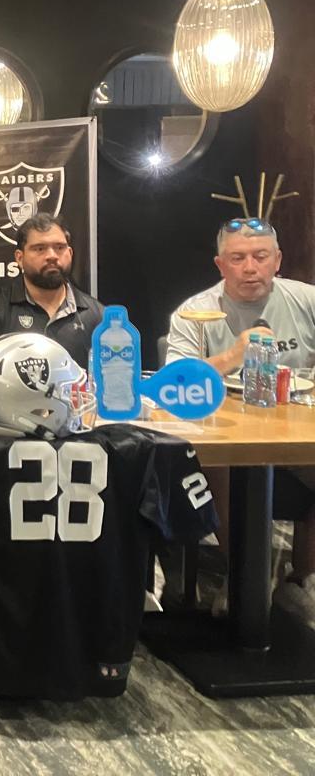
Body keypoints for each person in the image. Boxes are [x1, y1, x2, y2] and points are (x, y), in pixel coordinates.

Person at [0, 333, 217, 698]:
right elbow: (190, 523)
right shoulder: (135, 447)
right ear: (30, 400)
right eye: (68, 391)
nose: (77, 399)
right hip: (93, 651)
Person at [166, 217, 315, 618]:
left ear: (277, 260)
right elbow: (174, 382)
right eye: (237, 258)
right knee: (216, 464)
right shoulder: (195, 312)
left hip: (297, 433)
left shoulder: (307, 300)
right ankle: (246, 574)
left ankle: (304, 579)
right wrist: (233, 355)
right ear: (220, 264)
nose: (250, 268)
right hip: (228, 436)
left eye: (260, 256)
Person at [0, 213, 103, 368]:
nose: (52, 256)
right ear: (19, 258)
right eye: (40, 248)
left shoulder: (97, 316)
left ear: (70, 253)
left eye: (59, 247)